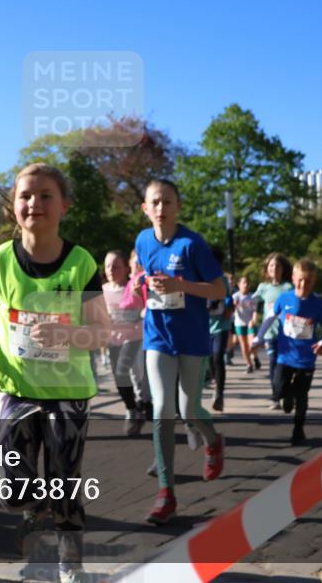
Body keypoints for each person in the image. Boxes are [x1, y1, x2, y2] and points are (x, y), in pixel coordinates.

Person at [0, 163, 110, 583]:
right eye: (25, 196)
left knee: (65, 482)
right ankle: (33, 508)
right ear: (13, 207)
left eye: (46, 195)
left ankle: (71, 565)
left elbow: (102, 333)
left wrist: (66, 336)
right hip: (15, 389)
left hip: (68, 392)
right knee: (12, 494)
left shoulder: (81, 262)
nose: (35, 203)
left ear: (64, 205)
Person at [135, 178, 226, 526]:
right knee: (162, 409)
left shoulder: (192, 244)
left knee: (188, 408)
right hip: (157, 335)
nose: (160, 208)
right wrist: (144, 282)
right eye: (154, 202)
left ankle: (214, 440)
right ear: (145, 208)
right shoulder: (142, 240)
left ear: (178, 207)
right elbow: (146, 275)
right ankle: (166, 492)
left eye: (167, 202)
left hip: (191, 337)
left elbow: (220, 289)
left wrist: (181, 285)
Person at [254, 258, 322, 445]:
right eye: (301, 280)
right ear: (294, 278)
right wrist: (259, 337)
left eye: (309, 281)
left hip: (306, 358)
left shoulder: (317, 303)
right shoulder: (285, 297)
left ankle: (298, 430)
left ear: (314, 282)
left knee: (302, 396)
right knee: (279, 387)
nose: (304, 284)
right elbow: (270, 318)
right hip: (285, 356)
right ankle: (287, 396)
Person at [102, 250, 151, 436]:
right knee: (119, 377)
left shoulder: (134, 286)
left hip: (135, 337)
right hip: (114, 339)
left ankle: (139, 406)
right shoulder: (104, 289)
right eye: (107, 266)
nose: (110, 270)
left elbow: (146, 307)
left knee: (131, 374)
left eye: (115, 266)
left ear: (125, 268)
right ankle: (134, 408)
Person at [252, 253, 293, 410]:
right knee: (272, 364)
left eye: (277, 265)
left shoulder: (288, 287)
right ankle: (276, 397)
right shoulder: (263, 287)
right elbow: (251, 300)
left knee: (286, 366)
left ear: (283, 269)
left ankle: (286, 393)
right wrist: (238, 299)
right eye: (271, 265)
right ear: (266, 269)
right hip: (269, 333)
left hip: (287, 334)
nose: (274, 268)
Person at [207, 245, 233, 412]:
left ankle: (219, 394)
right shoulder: (199, 278)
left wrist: (228, 310)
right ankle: (213, 381)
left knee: (218, 357)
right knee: (210, 360)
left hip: (221, 326)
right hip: (204, 327)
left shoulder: (222, 280)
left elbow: (230, 299)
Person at [231, 275, 260, 373]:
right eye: (243, 283)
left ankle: (255, 357)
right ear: (239, 285)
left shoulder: (253, 296)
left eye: (247, 283)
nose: (246, 285)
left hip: (250, 323)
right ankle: (249, 365)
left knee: (252, 344)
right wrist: (233, 305)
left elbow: (255, 311)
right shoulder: (235, 296)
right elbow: (231, 311)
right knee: (243, 345)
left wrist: (254, 320)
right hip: (239, 323)